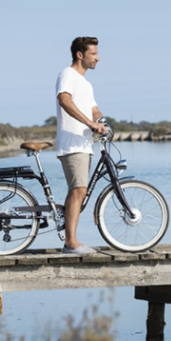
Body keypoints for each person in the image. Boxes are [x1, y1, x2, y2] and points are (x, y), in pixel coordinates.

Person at [55, 36, 107, 254]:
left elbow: (94, 109)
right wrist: (89, 123)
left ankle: (71, 239)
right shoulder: (68, 75)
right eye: (93, 54)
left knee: (79, 191)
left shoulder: (86, 83)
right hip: (72, 143)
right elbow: (64, 99)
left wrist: (102, 122)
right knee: (78, 190)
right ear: (80, 54)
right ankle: (70, 242)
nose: (98, 58)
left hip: (84, 144)